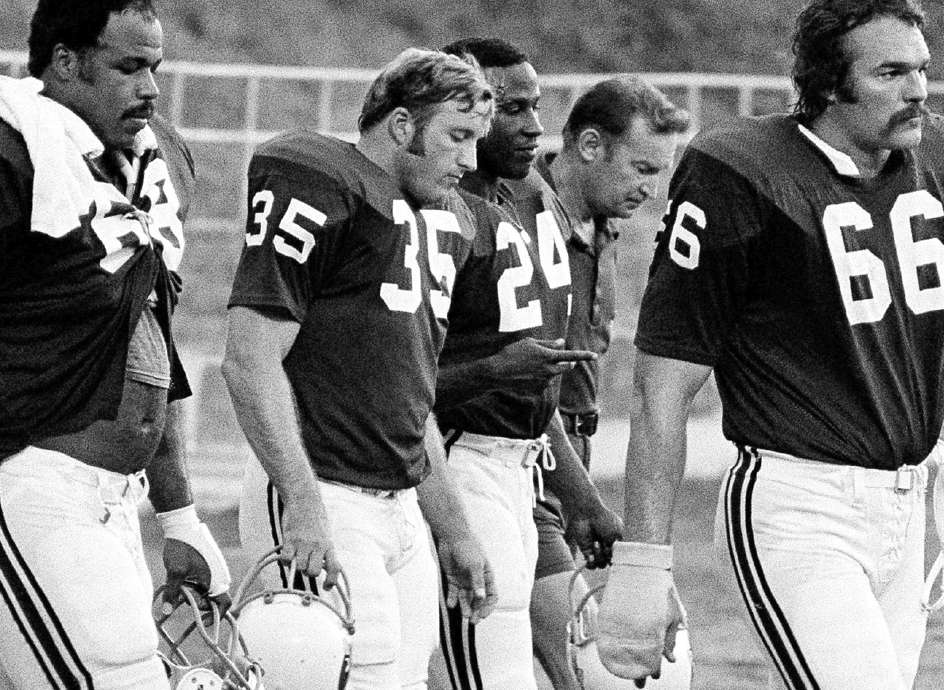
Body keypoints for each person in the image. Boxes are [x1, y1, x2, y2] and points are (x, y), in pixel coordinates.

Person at [594, 1, 944, 689]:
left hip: (908, 505)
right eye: (890, 73)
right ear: (828, 83)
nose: (917, 90)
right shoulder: (740, 172)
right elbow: (664, 383)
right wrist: (644, 562)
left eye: (921, 69)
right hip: (796, 506)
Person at [222, 48, 498, 689]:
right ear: (402, 125)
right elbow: (249, 360)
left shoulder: (438, 220)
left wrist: (453, 527)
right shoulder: (323, 182)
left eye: (476, 140)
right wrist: (302, 500)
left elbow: (409, 397)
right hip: (323, 488)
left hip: (399, 505)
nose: (469, 160)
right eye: (457, 136)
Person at [0, 1, 231, 687]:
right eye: (129, 68)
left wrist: (178, 511)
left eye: (156, 68)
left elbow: (151, 341)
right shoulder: (11, 149)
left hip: (116, 499)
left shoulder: (156, 160)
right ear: (66, 62)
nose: (151, 89)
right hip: (34, 484)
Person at [431, 38, 623, 690]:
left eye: (535, 106)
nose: (535, 126)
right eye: (511, 108)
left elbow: (535, 377)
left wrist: (581, 496)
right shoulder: (434, 213)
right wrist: (490, 371)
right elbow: (393, 382)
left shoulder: (530, 200)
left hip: (521, 468)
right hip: (453, 456)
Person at [529, 75, 691, 688]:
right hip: (520, 466)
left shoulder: (602, 226)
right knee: (589, 666)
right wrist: (582, 498)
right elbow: (530, 383)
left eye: (659, 173)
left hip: (562, 463)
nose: (649, 188)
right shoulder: (524, 219)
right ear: (590, 145)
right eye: (641, 168)